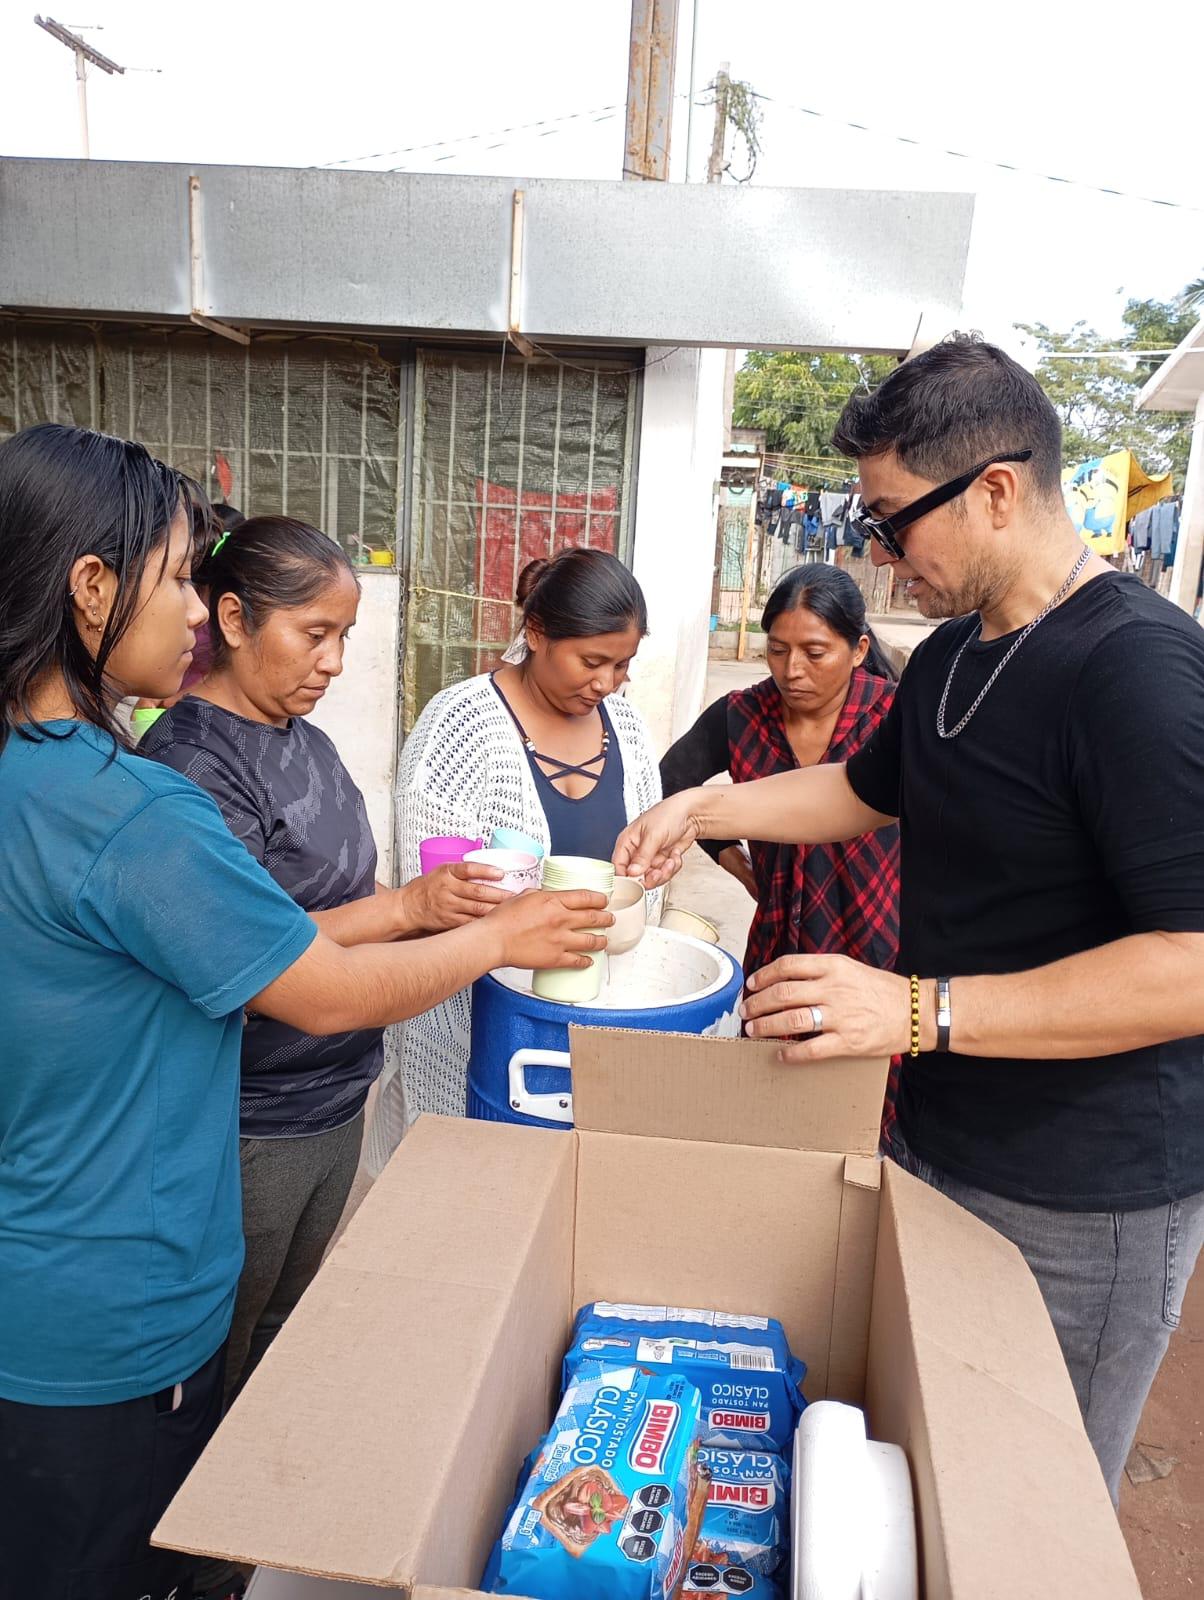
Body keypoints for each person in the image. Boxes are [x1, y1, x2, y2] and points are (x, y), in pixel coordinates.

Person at [0, 423, 610, 1600]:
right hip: (116, 1309)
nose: (193, 606)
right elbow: (317, 987)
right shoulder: (131, 805)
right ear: (89, 588)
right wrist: (499, 934)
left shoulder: (36, 778)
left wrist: (424, 904)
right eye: (179, 574)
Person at [614, 334, 1204, 1506]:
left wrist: (921, 1007)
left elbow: (1192, 960)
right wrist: (701, 801)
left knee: (1033, 1505)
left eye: (891, 521)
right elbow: (856, 792)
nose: (876, 555)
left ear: (993, 489)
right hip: (937, 1138)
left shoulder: (1135, 671)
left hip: (1084, 1192)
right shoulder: (946, 660)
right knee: (934, 1464)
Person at [140, 515, 509, 1413]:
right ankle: (191, 1551)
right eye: (315, 634)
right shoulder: (192, 766)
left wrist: (429, 908)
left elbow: (340, 889)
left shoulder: (303, 741)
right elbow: (249, 958)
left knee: (278, 1336)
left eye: (343, 636)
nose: (335, 661)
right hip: (248, 1120)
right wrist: (407, 912)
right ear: (231, 620)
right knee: (212, 1358)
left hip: (336, 1097)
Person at [366, 546, 662, 1170]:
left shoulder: (628, 732)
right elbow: (432, 896)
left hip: (589, 1023)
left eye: (623, 666)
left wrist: (649, 876)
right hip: (471, 1030)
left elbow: (640, 878)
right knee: (464, 1192)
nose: (606, 683)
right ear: (536, 634)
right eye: (591, 661)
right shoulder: (461, 726)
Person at [660, 563, 899, 981]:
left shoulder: (893, 717)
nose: (792, 670)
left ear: (859, 650)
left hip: (879, 955)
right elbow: (673, 780)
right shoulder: (743, 717)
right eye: (777, 649)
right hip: (776, 951)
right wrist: (740, 865)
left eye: (815, 653)